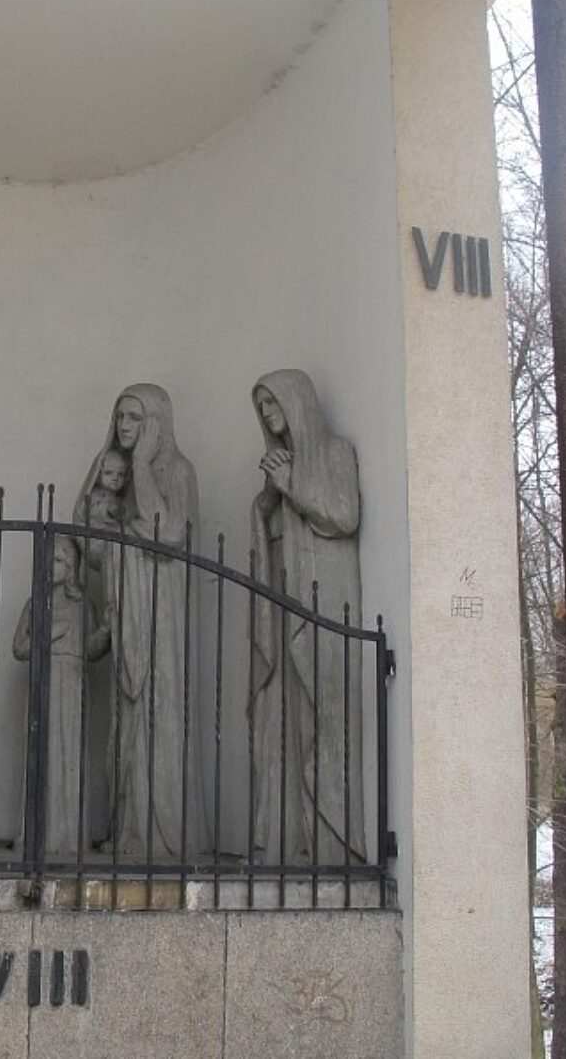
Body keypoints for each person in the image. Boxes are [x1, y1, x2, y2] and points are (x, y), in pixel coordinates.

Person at [77, 384, 208, 858]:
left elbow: (168, 533)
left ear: (156, 423)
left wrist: (142, 467)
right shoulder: (115, 473)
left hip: (162, 609)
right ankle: (129, 828)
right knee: (126, 721)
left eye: (135, 418)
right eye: (120, 417)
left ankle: (163, 833)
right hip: (126, 607)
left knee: (159, 709)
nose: (124, 426)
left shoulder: (176, 471)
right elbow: (88, 541)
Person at [247, 369, 364, 866]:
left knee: (324, 717)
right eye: (263, 408)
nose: (268, 415)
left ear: (297, 403)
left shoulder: (334, 453)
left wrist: (291, 486)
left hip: (322, 601)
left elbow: (343, 516)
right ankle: (287, 840)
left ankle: (329, 843)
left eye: (274, 404)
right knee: (280, 721)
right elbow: (271, 532)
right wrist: (267, 501)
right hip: (282, 601)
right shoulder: (282, 467)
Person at [11, 535, 110, 856]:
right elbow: (19, 649)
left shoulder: (83, 605)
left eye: (57, 560)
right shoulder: (34, 603)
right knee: (42, 753)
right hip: (43, 680)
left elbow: (91, 651)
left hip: (72, 682)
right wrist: (48, 635)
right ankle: (37, 836)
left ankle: (69, 837)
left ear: (70, 567)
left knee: (70, 756)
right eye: (47, 560)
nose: (49, 566)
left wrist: (105, 631)